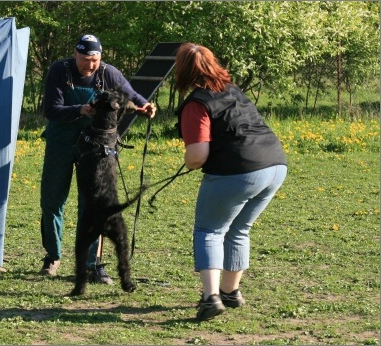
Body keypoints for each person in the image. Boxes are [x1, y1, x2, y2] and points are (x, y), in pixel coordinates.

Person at [174, 43, 287, 321]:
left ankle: (211, 298)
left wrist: (189, 161)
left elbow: (197, 156)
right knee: (238, 229)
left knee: (209, 230)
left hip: (241, 171)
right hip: (275, 165)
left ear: (183, 71)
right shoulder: (233, 90)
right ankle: (230, 293)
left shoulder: (197, 103)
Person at [39, 34, 156, 283]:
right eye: (85, 60)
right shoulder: (60, 71)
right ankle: (52, 256)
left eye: (94, 60)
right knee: (51, 202)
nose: (89, 65)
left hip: (95, 149)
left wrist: (145, 105)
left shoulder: (108, 73)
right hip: (61, 143)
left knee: (92, 205)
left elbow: (131, 94)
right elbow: (50, 109)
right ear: (75, 54)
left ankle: (93, 265)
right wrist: (79, 109)